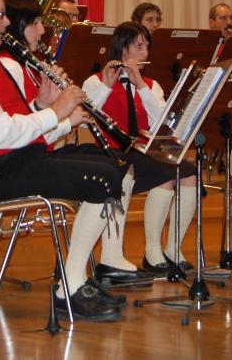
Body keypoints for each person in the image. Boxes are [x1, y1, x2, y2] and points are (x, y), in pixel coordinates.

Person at [0, 0, 125, 321]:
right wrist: (57, 112)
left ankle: (75, 279)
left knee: (109, 163)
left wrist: (42, 106)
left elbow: (6, 124)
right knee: (102, 177)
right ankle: (70, 286)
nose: (7, 23)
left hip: (6, 162)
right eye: (0, 15)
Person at [83, 22, 199, 277]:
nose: (145, 53)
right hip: (109, 152)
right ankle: (142, 253)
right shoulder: (95, 80)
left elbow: (164, 124)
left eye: (147, 47)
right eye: (138, 46)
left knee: (188, 173)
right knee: (154, 174)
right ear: (122, 48)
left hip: (142, 151)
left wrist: (142, 88)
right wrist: (106, 86)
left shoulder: (152, 85)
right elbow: (86, 116)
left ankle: (169, 249)